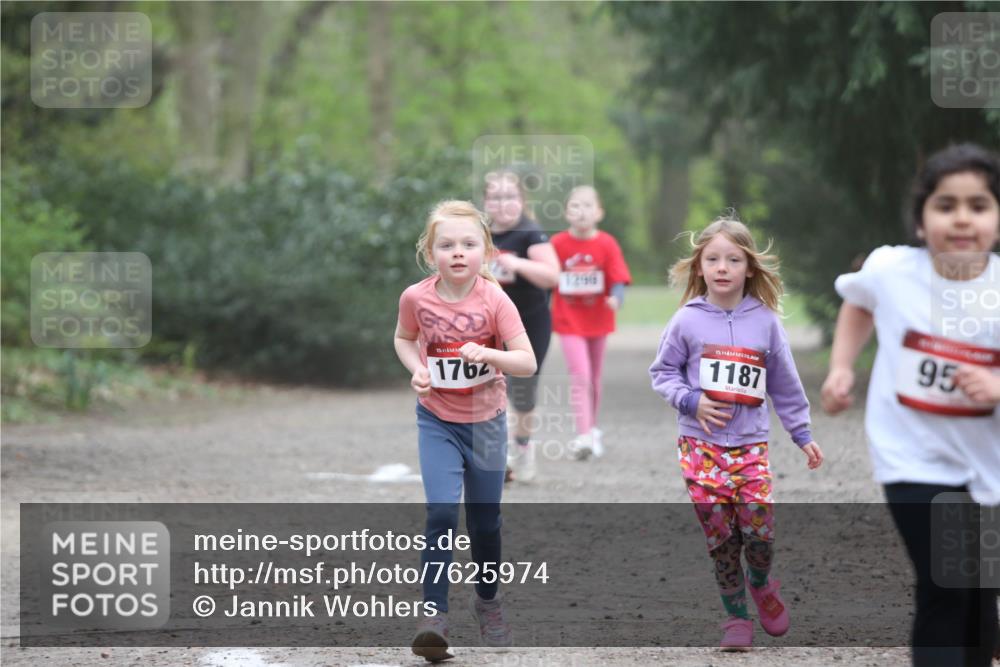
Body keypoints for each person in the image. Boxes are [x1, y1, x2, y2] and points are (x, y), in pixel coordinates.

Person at [821, 142, 1000, 667]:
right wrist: (841, 366)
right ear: (921, 221)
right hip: (912, 459)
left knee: (979, 590)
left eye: (978, 205)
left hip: (987, 465)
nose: (961, 218)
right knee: (945, 583)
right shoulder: (890, 269)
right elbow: (858, 303)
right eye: (946, 205)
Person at [649, 215, 823, 651]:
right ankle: (736, 617)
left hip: (750, 447)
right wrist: (691, 400)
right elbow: (663, 373)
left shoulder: (765, 322)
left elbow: (784, 384)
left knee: (760, 532)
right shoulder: (686, 321)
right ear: (699, 266)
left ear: (749, 267)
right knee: (721, 536)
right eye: (713, 259)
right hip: (699, 445)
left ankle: (760, 583)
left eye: (733, 259)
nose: (722, 267)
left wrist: (802, 434)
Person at [394, 200, 537, 661]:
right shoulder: (416, 298)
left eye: (469, 244)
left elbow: (527, 361)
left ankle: (488, 603)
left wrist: (490, 355)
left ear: (486, 251)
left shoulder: (495, 299)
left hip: (487, 424)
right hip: (437, 419)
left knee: (484, 522)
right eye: (447, 245)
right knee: (440, 512)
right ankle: (433, 617)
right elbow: (403, 338)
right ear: (430, 252)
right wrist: (418, 368)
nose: (458, 252)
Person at [482, 170, 560, 483]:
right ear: (486, 202)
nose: (503, 203)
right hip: (488, 323)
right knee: (487, 384)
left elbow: (552, 276)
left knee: (523, 391)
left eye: (510, 196)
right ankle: (496, 454)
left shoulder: (530, 234)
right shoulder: (480, 234)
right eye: (496, 197)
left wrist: (517, 263)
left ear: (522, 200)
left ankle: (523, 449)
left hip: (529, 323)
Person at [550, 185, 632, 459]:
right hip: (568, 319)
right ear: (566, 213)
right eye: (575, 206)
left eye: (587, 205)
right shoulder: (557, 244)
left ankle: (592, 429)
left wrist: (617, 298)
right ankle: (583, 435)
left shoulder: (607, 243)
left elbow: (618, 276)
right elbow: (547, 275)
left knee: (594, 378)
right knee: (580, 375)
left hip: (598, 318)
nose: (581, 211)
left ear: (599, 213)